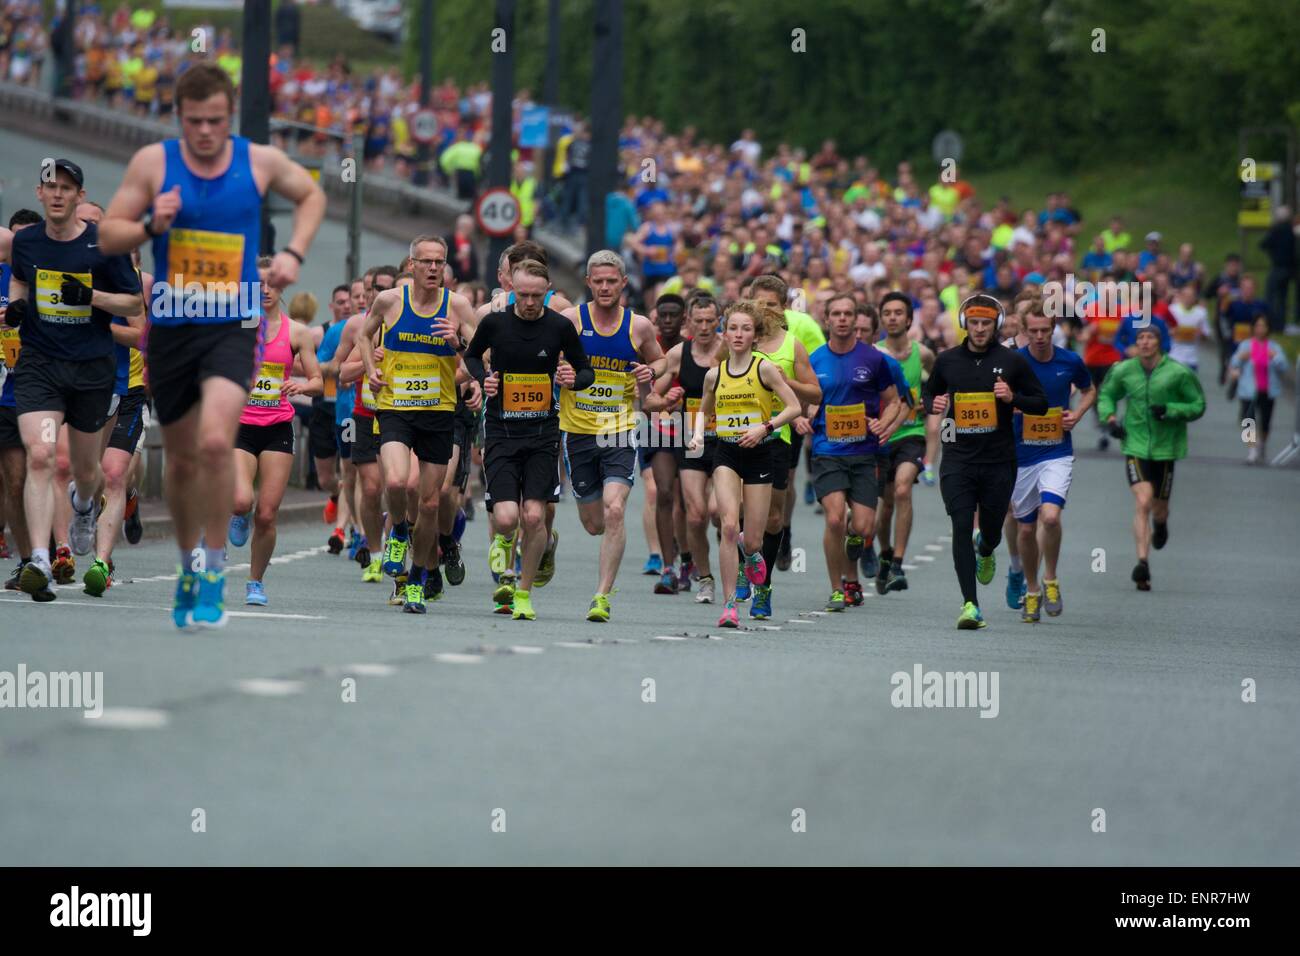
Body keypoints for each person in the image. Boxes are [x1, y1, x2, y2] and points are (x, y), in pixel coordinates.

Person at [99, 62, 326, 628]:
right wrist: (153, 224)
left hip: (232, 323)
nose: (205, 132)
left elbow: (312, 195)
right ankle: (188, 564)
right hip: (175, 325)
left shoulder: (258, 160)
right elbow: (108, 234)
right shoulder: (155, 162)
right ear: (179, 117)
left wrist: (294, 253)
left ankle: (216, 567)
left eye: (217, 121)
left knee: (216, 440)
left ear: (230, 116)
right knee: (179, 462)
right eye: (195, 121)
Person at [9, 160, 143, 603]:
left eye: (67, 187)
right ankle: (41, 560)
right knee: (42, 455)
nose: (59, 194)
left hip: (91, 369)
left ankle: (84, 506)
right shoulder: (26, 243)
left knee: (88, 473)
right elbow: (19, 278)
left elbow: (132, 301)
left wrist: (91, 296)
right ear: (40, 193)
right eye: (51, 186)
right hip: (41, 367)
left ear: (80, 197)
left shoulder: (104, 246)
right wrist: (18, 306)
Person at [464, 258, 593, 621]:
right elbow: (471, 357)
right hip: (502, 432)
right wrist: (483, 378)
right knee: (506, 517)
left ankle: (523, 593)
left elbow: (586, 371)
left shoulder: (559, 327)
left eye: (537, 295)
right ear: (513, 292)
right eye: (523, 295)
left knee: (534, 517)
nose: (531, 302)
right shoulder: (494, 323)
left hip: (542, 434)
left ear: (547, 290)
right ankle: (504, 541)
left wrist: (572, 377)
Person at [360, 236, 478, 612]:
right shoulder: (389, 301)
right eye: (425, 261)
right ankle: (397, 528)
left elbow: (483, 360)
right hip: (395, 407)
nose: (432, 268)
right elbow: (364, 335)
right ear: (411, 265)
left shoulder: (457, 306)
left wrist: (458, 344)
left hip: (439, 414)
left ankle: (417, 581)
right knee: (395, 482)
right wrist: (371, 370)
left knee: (428, 504)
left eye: (438, 262)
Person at [923, 294, 1048, 630]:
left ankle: (988, 547)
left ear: (995, 324)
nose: (979, 329)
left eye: (986, 323)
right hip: (957, 458)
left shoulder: (1012, 362)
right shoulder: (947, 361)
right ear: (965, 324)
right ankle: (970, 604)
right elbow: (928, 393)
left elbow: (1040, 403)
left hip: (998, 460)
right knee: (961, 526)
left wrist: (1013, 398)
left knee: (989, 530)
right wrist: (932, 403)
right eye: (974, 323)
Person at [558, 251, 663, 622]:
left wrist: (649, 372)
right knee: (594, 523)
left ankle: (601, 595)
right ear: (589, 283)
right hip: (578, 431)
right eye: (598, 281)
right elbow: (544, 358)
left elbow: (661, 360)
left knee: (615, 509)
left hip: (618, 430)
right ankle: (554, 544)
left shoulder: (639, 327)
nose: (605, 287)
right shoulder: (570, 321)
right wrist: (560, 372)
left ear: (623, 284)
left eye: (611, 281)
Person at [688, 300, 801, 628]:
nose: (738, 335)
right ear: (725, 333)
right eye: (733, 328)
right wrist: (696, 436)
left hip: (760, 454)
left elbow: (793, 407)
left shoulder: (764, 369)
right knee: (726, 525)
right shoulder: (714, 375)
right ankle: (729, 605)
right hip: (726, 453)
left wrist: (765, 428)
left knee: (753, 539)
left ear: (755, 335)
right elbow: (703, 411)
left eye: (746, 329)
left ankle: (751, 554)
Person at [228, 258, 323, 605]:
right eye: (258, 284)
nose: (265, 290)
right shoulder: (235, 325)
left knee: (267, 514)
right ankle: (236, 513)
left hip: (277, 425)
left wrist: (302, 387)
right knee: (242, 500)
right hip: (239, 424)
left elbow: (317, 381)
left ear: (283, 288)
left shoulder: (296, 332)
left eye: (272, 284)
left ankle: (255, 581)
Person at [807, 294, 899, 611]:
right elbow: (806, 399)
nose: (843, 319)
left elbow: (896, 400)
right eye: (837, 314)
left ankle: (852, 569)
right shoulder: (815, 359)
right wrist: (804, 416)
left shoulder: (874, 359)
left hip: (863, 452)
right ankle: (838, 588)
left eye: (848, 314)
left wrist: (883, 423)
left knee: (862, 527)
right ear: (827, 320)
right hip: (827, 450)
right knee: (834, 519)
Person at [1097, 326, 1205, 592]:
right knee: (1143, 501)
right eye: (1140, 339)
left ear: (1161, 342)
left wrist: (1170, 410)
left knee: (1158, 508)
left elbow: (1197, 405)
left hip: (1166, 447)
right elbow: (1106, 394)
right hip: (1134, 444)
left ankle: (1162, 522)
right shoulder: (1125, 370)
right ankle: (1142, 564)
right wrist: (1110, 419)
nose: (1145, 343)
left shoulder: (1178, 373)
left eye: (1151, 338)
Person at [1010, 298, 1096, 622]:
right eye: (1033, 331)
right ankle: (1032, 590)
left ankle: (1051, 578)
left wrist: (1077, 413)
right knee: (1025, 529)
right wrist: (1013, 406)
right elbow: (996, 397)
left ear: (1054, 327)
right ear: (1024, 330)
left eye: (1045, 330)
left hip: (1056, 451)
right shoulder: (1013, 362)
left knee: (1050, 518)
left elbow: (1089, 390)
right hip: (1021, 455)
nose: (1040, 336)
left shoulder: (1070, 360)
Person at [746, 275, 823, 616]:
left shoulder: (793, 344)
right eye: (759, 303)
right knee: (730, 515)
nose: (765, 310)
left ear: (784, 308)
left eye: (772, 305)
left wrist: (783, 380)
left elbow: (815, 392)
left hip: (777, 437)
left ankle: (763, 587)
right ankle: (741, 574)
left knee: (773, 519)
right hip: (737, 435)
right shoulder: (737, 339)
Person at [650, 292, 722, 604]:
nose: (704, 327)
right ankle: (693, 572)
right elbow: (651, 398)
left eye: (710, 321)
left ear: (719, 321)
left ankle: (738, 554)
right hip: (689, 438)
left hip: (726, 439)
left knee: (721, 514)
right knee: (694, 514)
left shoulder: (732, 349)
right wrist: (663, 402)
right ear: (689, 323)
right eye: (699, 321)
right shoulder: (680, 353)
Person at [873, 291, 936, 594]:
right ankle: (885, 553)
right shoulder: (874, 354)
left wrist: (927, 400)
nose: (893, 317)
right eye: (888, 313)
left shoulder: (922, 354)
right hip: (883, 434)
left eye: (899, 312)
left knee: (902, 488)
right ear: (881, 319)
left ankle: (898, 562)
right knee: (884, 505)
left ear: (909, 319)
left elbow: (937, 386)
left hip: (912, 432)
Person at [1228, 316, 1288, 464]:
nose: (1261, 329)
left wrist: (1275, 357)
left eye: (1264, 326)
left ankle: (1261, 445)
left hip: (1268, 389)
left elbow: (1284, 367)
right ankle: (1251, 451)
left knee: (1266, 422)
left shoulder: (1274, 347)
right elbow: (1234, 362)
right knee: (1248, 420)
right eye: (1258, 326)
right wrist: (1240, 358)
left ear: (1268, 329)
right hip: (1248, 390)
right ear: (1253, 328)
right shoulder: (1246, 345)